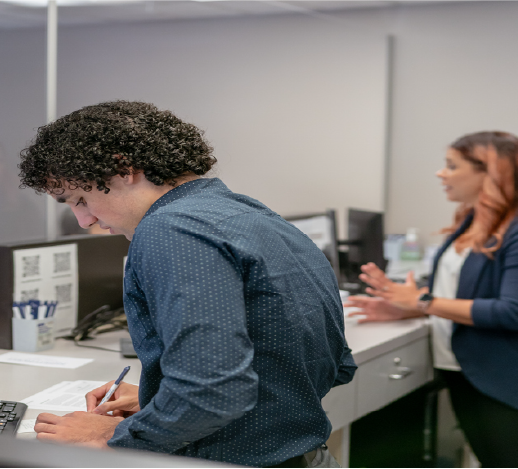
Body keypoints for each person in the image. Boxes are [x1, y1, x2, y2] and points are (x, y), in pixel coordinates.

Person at [19, 101, 355, 467]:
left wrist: (116, 438)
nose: (84, 220)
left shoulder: (170, 229)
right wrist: (161, 400)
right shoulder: (250, 214)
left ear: (122, 168)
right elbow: (335, 365)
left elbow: (210, 392)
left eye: (81, 199)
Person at [345, 131, 518, 467]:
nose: (441, 174)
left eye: (452, 166)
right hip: (467, 372)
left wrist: (422, 301)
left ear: (490, 173)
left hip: (517, 377)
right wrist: (404, 309)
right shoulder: (474, 221)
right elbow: (463, 296)